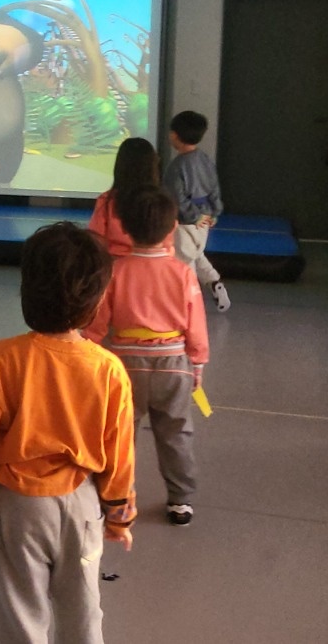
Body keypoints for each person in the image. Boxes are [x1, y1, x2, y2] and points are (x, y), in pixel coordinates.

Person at [0, 222, 136, 644]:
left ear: (27, 291)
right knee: (83, 611)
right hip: (81, 507)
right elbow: (120, 454)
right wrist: (119, 515)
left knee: (17, 613)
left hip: (18, 510)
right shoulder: (108, 369)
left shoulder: (2, 359)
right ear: (95, 302)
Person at [86, 186, 208, 527]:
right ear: (171, 229)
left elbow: (98, 322)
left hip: (125, 363)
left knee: (121, 432)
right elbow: (195, 323)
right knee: (176, 432)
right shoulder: (183, 273)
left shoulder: (115, 270)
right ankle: (180, 500)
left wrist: (89, 352)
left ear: (124, 228)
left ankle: (117, 495)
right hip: (173, 364)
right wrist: (196, 363)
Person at [162, 111, 230, 312]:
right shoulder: (205, 160)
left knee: (185, 261)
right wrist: (214, 212)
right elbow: (214, 187)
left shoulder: (176, 167)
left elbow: (177, 198)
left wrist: (193, 215)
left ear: (174, 136)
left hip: (186, 222)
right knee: (196, 253)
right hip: (206, 219)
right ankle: (214, 281)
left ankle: (188, 305)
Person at [88, 137, 163, 257]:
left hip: (114, 266)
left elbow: (95, 240)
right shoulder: (161, 202)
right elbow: (168, 241)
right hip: (155, 265)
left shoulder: (107, 201)